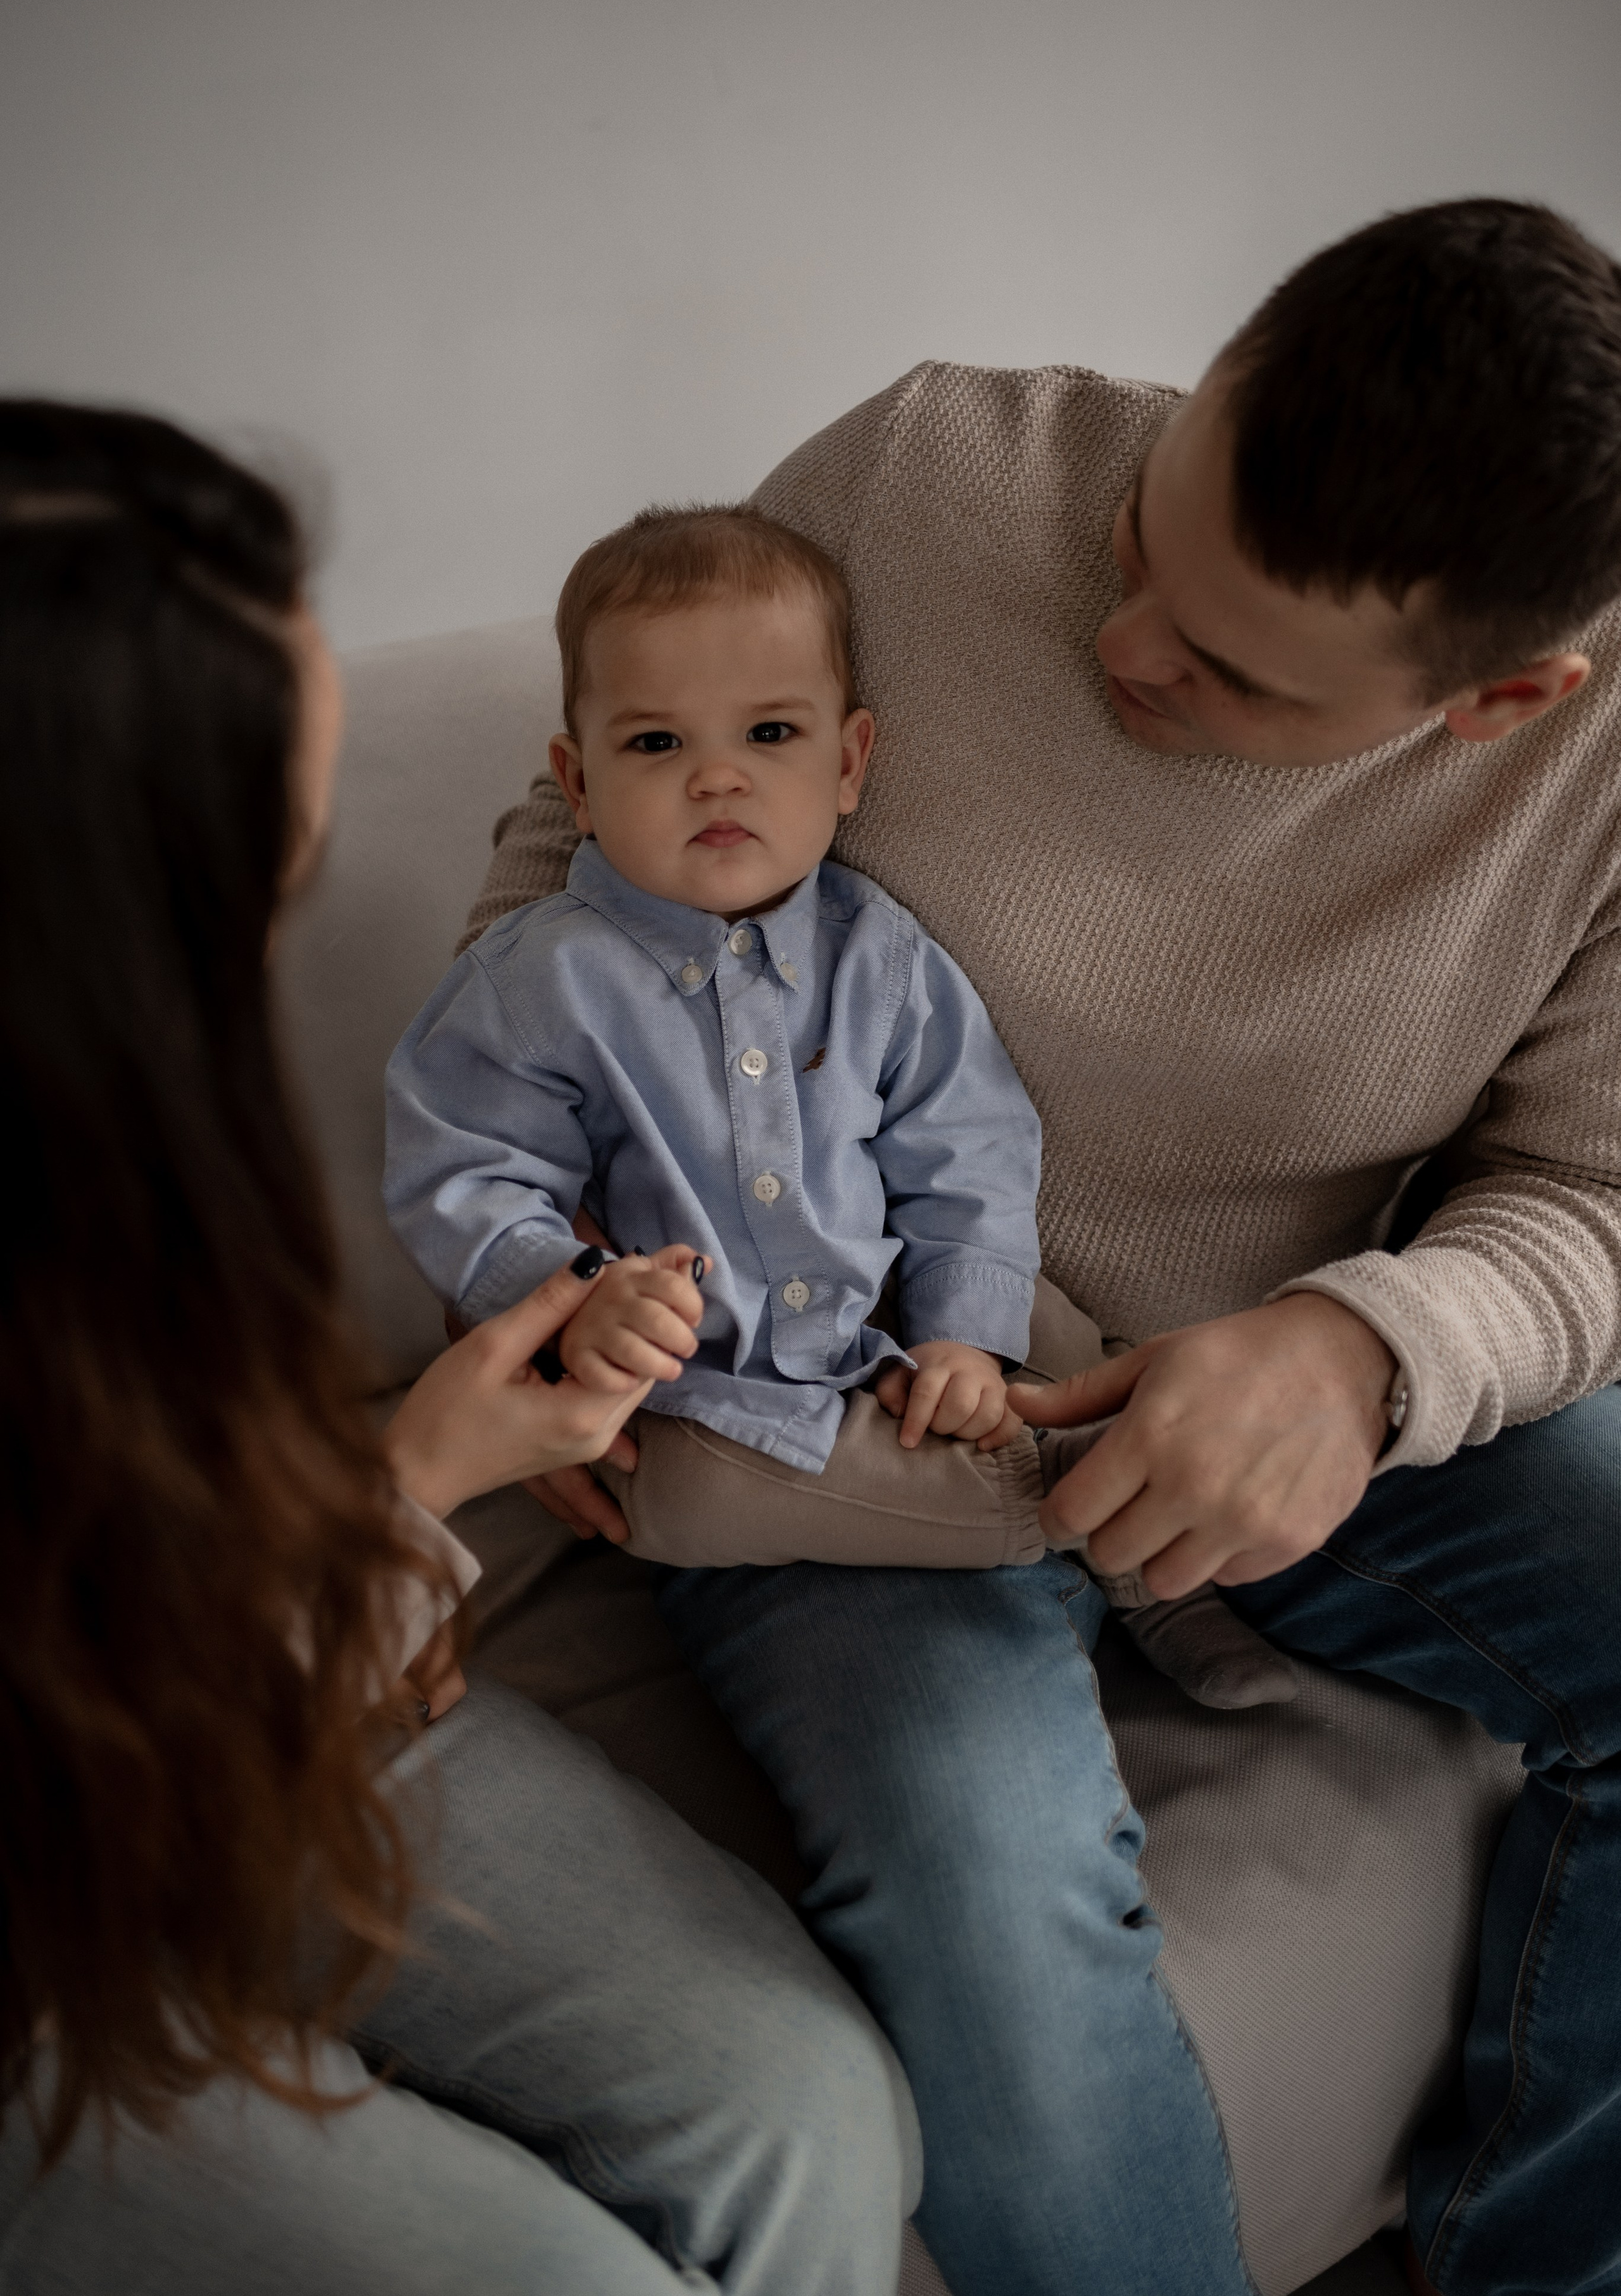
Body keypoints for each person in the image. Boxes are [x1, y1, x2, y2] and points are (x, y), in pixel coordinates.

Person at [466, 198, 1621, 2296]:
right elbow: (575, 849)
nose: (1125, 648)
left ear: (1506, 699)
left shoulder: (1603, 775)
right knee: (998, 1893)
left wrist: (1364, 1352)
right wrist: (546, 1256)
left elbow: (1592, 1199)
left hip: (1272, 1360)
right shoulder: (925, 470)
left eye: (1233, 667)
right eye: (1141, 549)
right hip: (822, 1386)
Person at [0, 401, 921, 2296]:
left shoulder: (137, 1099)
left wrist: (375, 1513)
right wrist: (410, 1495)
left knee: (808, 2104)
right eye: (271, 841)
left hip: (252, 1662)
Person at [383, 504, 1291, 1707]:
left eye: (770, 732)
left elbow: (966, 1144)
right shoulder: (539, 979)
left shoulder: (883, 955)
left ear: (850, 762)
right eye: (655, 744)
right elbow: (466, 1170)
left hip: (896, 1318)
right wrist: (578, 1299)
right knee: (686, 1500)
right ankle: (1078, 1517)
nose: (718, 775)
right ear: (578, 782)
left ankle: (1142, 1557)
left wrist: (965, 1334)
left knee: (1065, 1333)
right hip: (711, 1386)